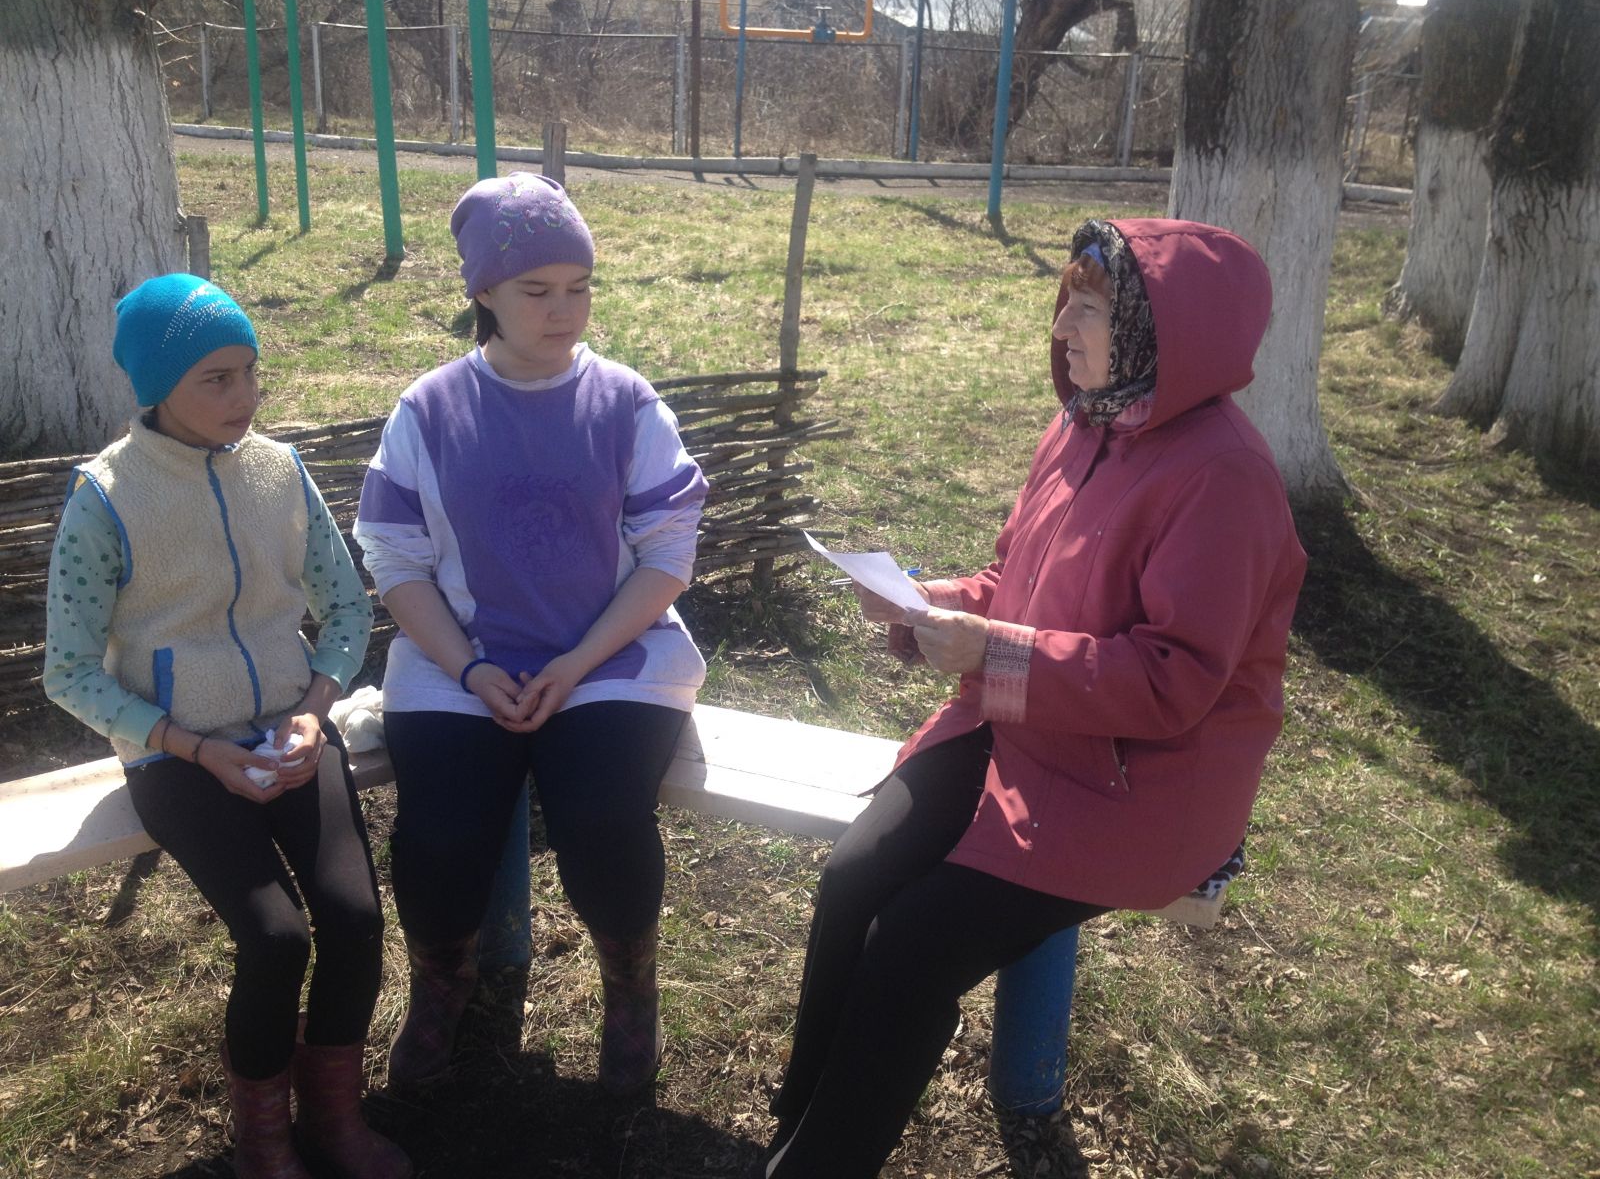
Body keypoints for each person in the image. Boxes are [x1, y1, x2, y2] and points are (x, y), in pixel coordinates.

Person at [761, 218, 1308, 1177]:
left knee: (911, 947)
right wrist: (929, 602)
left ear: (1156, 332)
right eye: (1067, 305)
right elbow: (1015, 578)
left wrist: (995, 654)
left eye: (1087, 310)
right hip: (1024, 724)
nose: (1062, 329)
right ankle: (796, 1132)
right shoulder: (1084, 424)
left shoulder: (1225, 477)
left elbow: (1173, 681)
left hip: (1137, 785)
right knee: (853, 880)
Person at [43, 275, 408, 1179]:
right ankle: (264, 1145)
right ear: (157, 385)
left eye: (250, 371)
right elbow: (70, 672)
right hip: (173, 754)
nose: (244, 395)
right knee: (276, 939)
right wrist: (190, 745)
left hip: (292, 733)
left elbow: (347, 609)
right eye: (216, 378)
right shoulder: (106, 497)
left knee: (356, 918)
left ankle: (335, 1122)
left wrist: (313, 714)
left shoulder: (280, 472)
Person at [353, 173, 707, 1095]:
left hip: (610, 658)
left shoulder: (626, 403)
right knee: (438, 836)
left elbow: (668, 555)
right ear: (484, 293)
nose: (564, 311)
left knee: (601, 817)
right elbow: (396, 562)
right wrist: (470, 670)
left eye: (580, 288)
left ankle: (631, 991)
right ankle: (444, 984)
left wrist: (577, 663)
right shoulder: (429, 410)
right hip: (461, 660)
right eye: (537, 290)